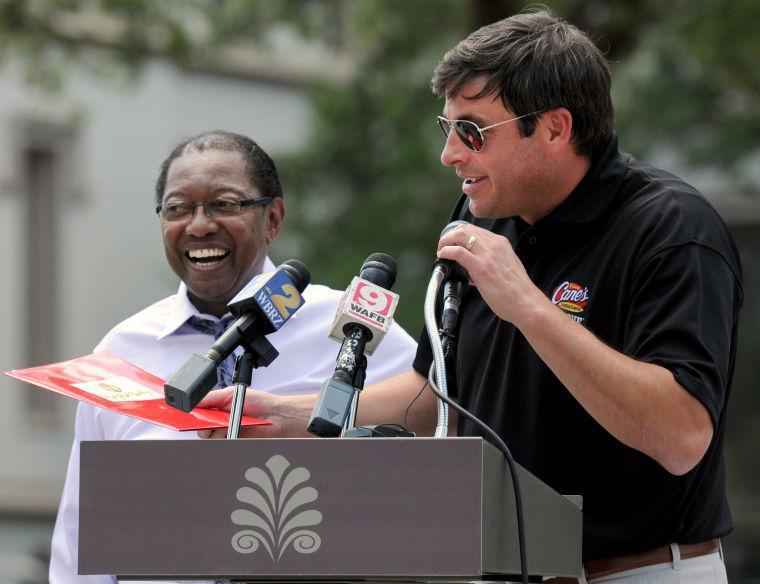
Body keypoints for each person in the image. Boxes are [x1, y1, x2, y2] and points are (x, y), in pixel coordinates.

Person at [203, 10, 743, 583]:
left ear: (556, 128)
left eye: (474, 131)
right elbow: (439, 393)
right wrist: (285, 416)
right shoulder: (484, 217)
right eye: (448, 128)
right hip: (503, 570)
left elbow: (681, 438)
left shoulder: (672, 228)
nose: (451, 155)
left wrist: (530, 306)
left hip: (637, 571)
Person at [49, 130, 418, 583]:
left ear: (273, 220)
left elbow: (438, 448)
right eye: (178, 209)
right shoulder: (122, 350)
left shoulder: (351, 331)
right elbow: (81, 529)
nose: (199, 225)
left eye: (224, 205)